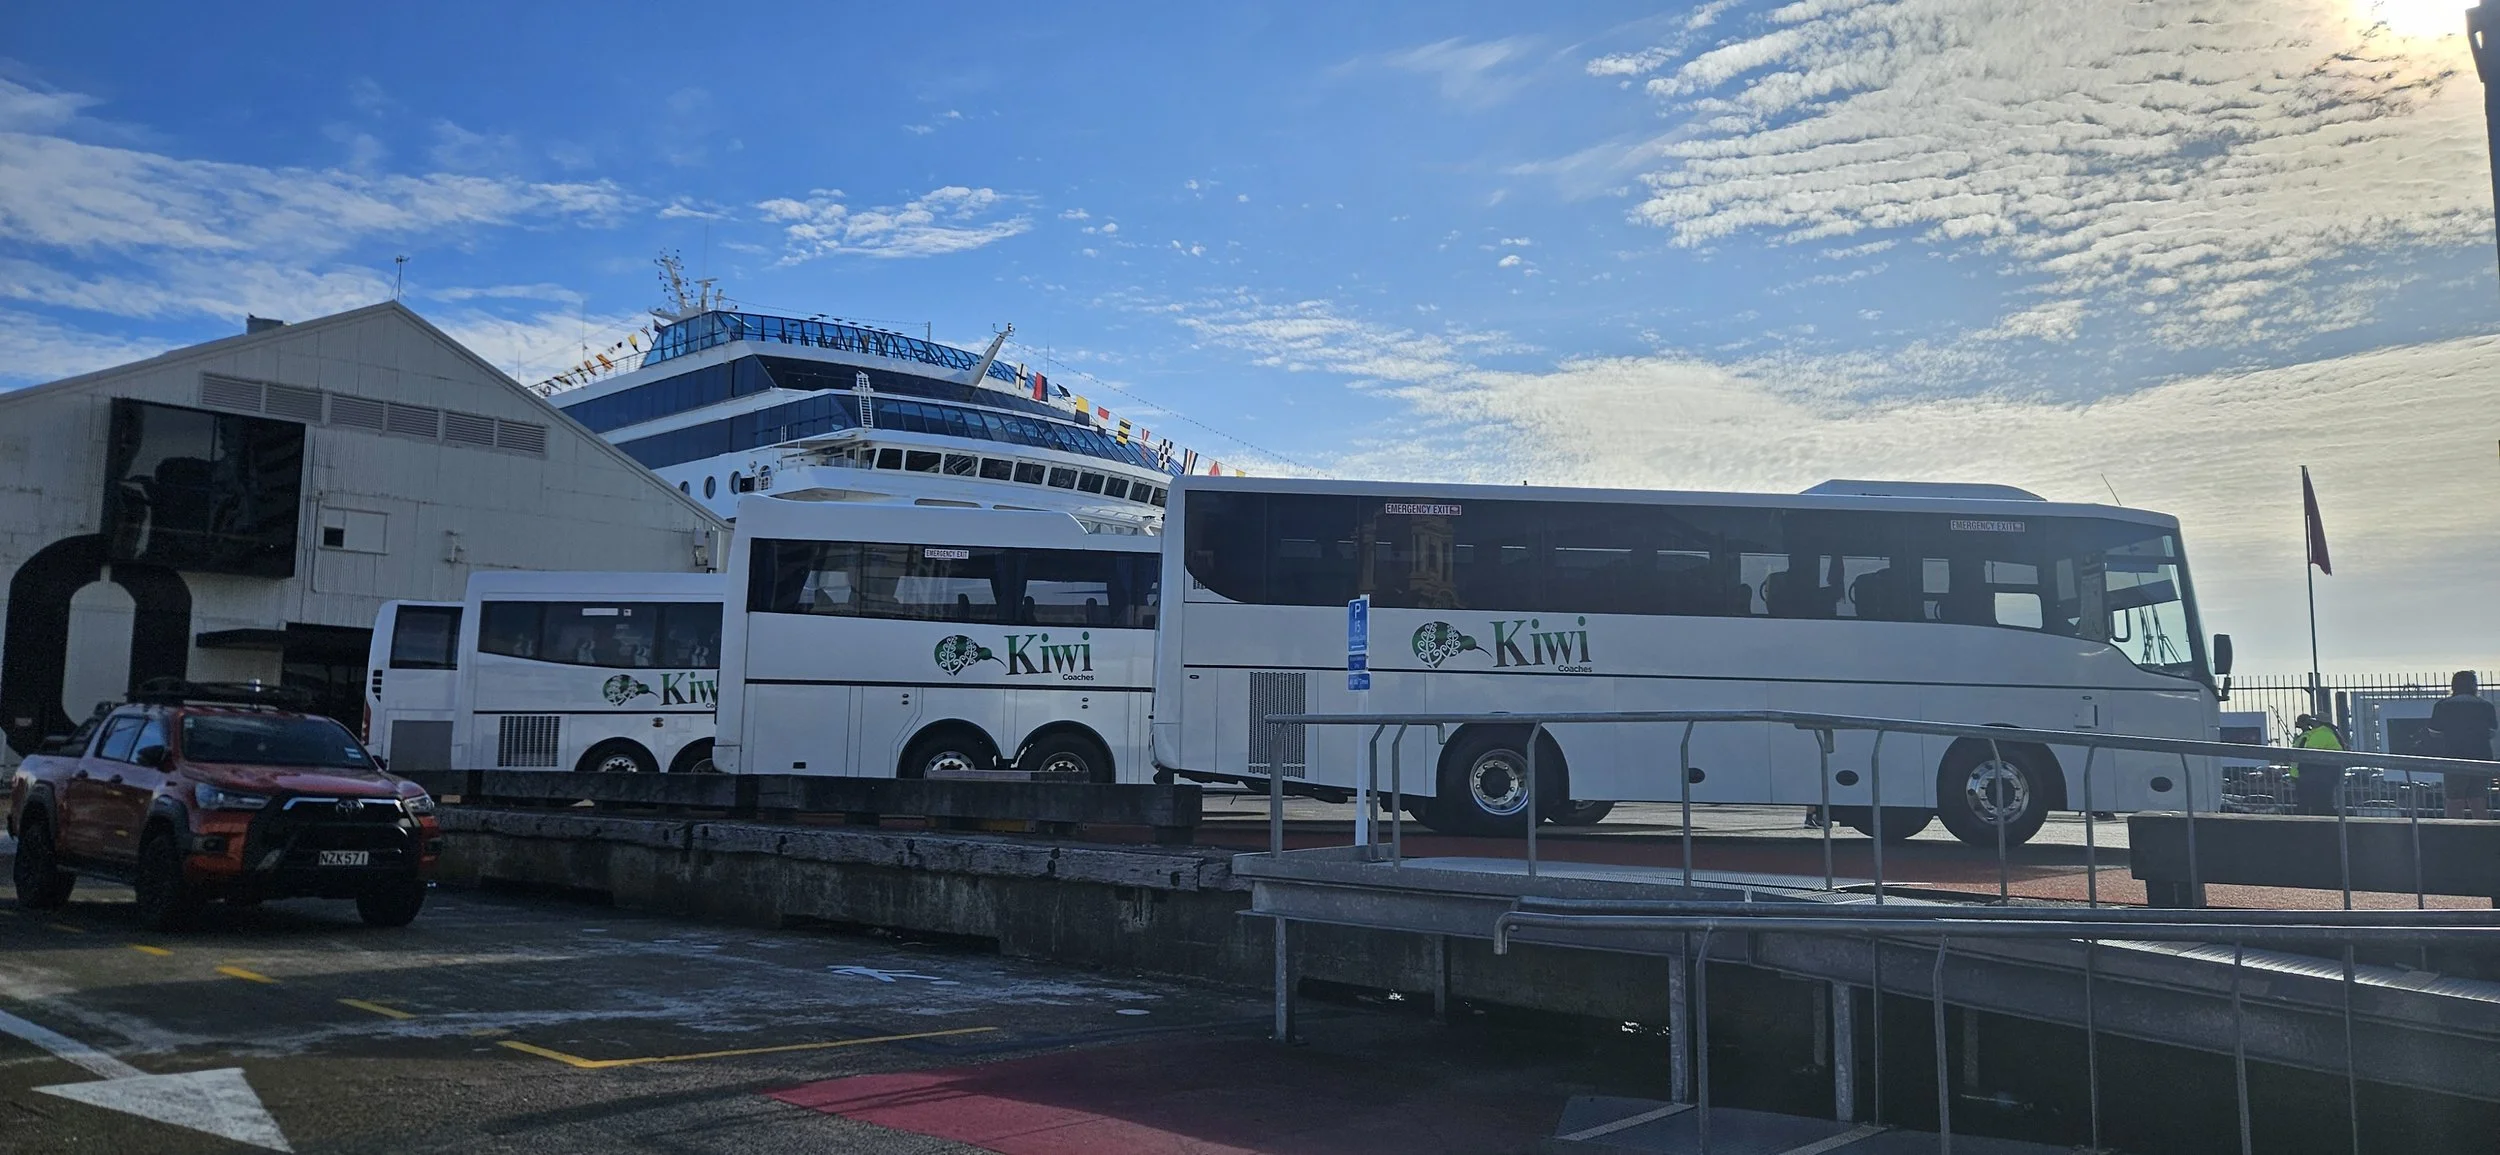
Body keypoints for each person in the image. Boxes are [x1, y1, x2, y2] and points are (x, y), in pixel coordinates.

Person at [2428, 671, 2498, 820]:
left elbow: (2434, 732)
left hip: (2454, 758)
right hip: (2481, 759)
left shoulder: (2443, 705)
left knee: (2454, 803)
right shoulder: (2486, 705)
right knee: (2478, 802)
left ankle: (2454, 837)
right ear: (2474, 685)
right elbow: (2492, 732)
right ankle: (2484, 837)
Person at [2290, 713, 2345, 816]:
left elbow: (2307, 753)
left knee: (2317, 805)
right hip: (2324, 777)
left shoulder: (2321, 734)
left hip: (2318, 777)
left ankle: (2321, 828)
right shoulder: (2327, 733)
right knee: (2321, 804)